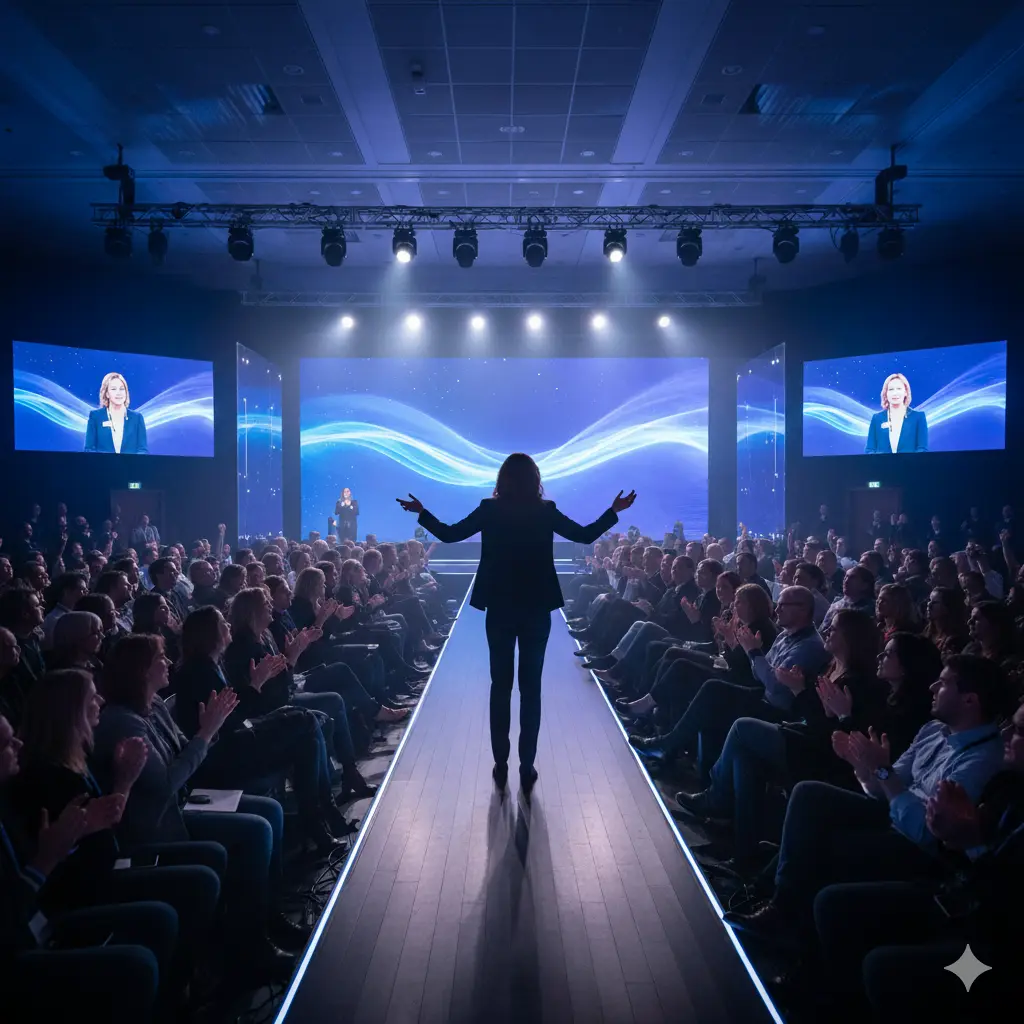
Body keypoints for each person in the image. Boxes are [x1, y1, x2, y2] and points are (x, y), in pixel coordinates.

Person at [397, 453, 634, 792]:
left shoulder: (490, 509)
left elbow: (450, 535)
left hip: (501, 606)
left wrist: (422, 512)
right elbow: (584, 536)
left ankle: (500, 761)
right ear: (535, 478)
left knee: (500, 684)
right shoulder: (545, 510)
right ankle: (526, 764)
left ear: (503, 479)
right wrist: (614, 512)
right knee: (531, 687)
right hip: (537, 607)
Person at [83, 373, 148, 455]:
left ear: (126, 392)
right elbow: (89, 449)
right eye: (114, 389)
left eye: (122, 389)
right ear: (107, 394)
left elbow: (143, 450)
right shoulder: (95, 417)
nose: (119, 393)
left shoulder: (137, 418)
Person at [864, 372, 928, 454]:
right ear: (886, 393)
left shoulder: (918, 417)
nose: (895, 393)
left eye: (899, 389)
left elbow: (922, 449)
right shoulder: (877, 418)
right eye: (891, 389)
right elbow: (870, 449)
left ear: (905, 392)